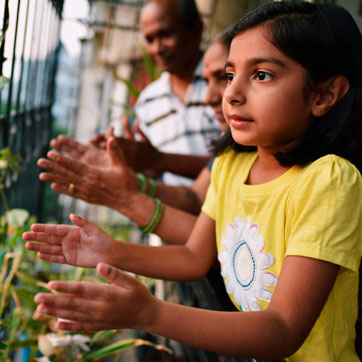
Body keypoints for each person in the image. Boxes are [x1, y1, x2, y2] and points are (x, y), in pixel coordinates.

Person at [23, 2, 362, 361]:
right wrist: (110, 252)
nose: (231, 93)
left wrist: (149, 312)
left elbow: (281, 329)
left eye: (261, 75)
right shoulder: (231, 165)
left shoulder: (328, 181)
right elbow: (193, 257)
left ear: (323, 95)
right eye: (231, 75)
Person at [37, 33, 229, 245]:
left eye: (225, 77)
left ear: (194, 29)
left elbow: (202, 251)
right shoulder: (232, 148)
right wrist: (131, 182)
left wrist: (122, 196)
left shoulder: (242, 141)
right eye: (149, 39)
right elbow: (194, 200)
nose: (209, 98)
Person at [133, 0, 221, 186]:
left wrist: (159, 160)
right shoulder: (147, 101)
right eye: (149, 39)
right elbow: (153, 174)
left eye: (165, 34)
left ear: (196, 30)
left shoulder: (227, 83)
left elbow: (237, 163)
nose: (157, 48)